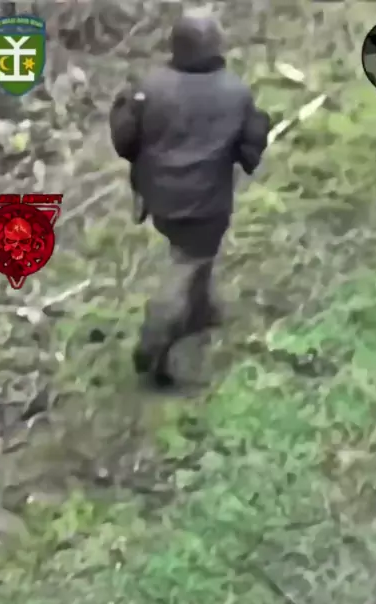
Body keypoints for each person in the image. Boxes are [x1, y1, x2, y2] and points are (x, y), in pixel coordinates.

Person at [109, 10, 270, 387]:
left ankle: (201, 311)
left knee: (193, 252)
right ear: (216, 46)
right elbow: (250, 153)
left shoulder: (149, 86)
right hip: (206, 203)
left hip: (158, 198)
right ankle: (155, 338)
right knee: (189, 259)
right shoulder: (235, 92)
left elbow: (124, 141)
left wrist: (124, 108)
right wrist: (260, 126)